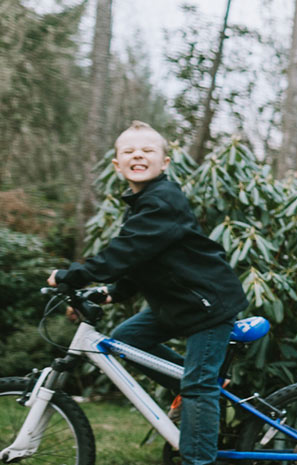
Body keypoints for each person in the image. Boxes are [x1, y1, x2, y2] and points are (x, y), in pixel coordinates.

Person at [47, 121, 247, 465]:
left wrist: (74, 275)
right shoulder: (144, 202)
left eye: (148, 150)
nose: (138, 154)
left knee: (197, 386)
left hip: (207, 304)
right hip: (180, 303)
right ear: (117, 164)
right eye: (129, 151)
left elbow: (126, 251)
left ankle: (198, 449)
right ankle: (207, 388)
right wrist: (112, 293)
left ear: (164, 163)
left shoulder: (162, 201)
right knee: (127, 339)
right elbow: (145, 258)